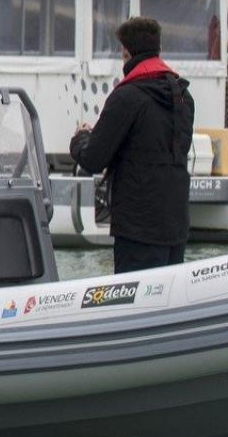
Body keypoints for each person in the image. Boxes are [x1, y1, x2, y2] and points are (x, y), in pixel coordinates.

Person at [69, 17, 195, 274]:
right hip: (176, 223)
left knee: (135, 304)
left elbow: (93, 159)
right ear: (158, 50)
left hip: (138, 228)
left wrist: (80, 138)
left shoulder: (127, 96)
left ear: (125, 52)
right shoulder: (182, 96)